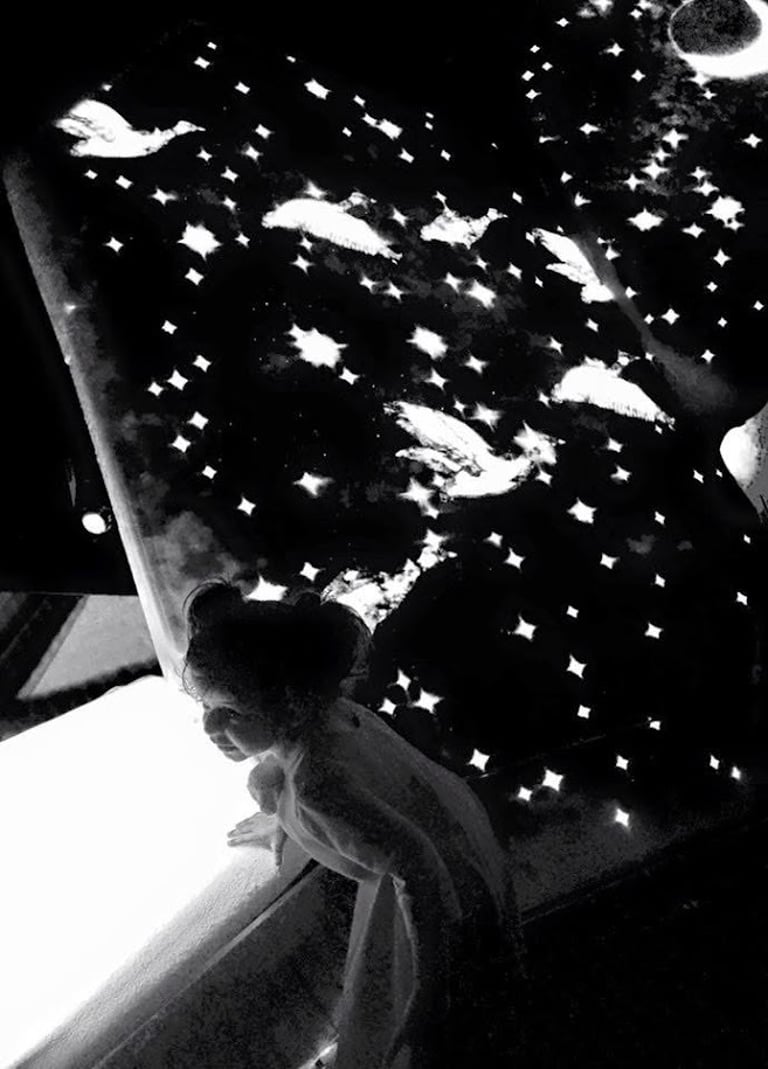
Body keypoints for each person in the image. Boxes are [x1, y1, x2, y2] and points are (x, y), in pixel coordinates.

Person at [182, 579, 528, 1068]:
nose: (209, 727)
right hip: (455, 837)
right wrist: (284, 820)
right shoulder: (327, 713)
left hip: (439, 897)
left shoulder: (319, 787)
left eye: (229, 712)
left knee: (410, 1026)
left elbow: (418, 867)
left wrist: (429, 991)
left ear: (290, 703)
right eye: (204, 706)